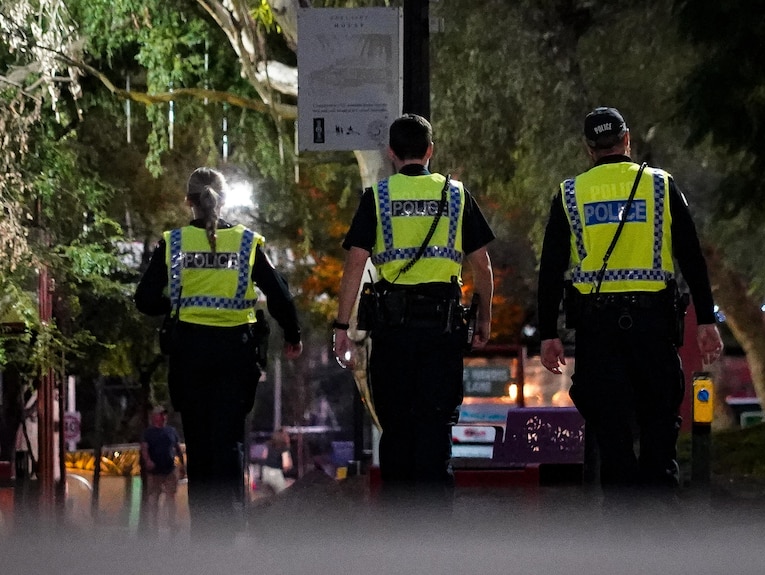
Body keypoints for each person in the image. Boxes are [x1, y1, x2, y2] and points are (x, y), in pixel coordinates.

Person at [537, 107, 723, 501]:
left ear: (588, 149)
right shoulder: (660, 185)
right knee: (659, 437)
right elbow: (692, 256)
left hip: (598, 333)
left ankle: (622, 546)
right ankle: (660, 543)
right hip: (654, 329)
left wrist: (548, 333)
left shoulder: (570, 194)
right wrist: (706, 320)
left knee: (613, 442)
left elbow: (551, 269)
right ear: (627, 139)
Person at [134, 167, 303, 540]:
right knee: (229, 441)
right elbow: (279, 295)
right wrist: (293, 334)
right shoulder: (246, 243)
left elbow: (145, 299)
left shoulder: (173, 244)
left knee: (199, 442)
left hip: (189, 354)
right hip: (234, 355)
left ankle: (205, 536)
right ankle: (230, 528)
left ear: (188, 201)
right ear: (223, 200)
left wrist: (179, 301)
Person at [332, 114, 495, 501]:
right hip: (441, 333)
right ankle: (435, 540)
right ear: (430, 151)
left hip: (392, 334)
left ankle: (399, 538)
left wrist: (341, 327)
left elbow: (354, 265)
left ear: (391, 154)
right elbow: (482, 266)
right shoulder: (456, 194)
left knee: (397, 431)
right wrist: (485, 316)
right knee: (436, 431)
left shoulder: (378, 198)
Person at [140, 405, 184, 534]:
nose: (163, 417)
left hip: (169, 469)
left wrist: (182, 464)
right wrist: (148, 461)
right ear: (154, 417)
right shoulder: (148, 433)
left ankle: (172, 523)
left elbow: (177, 448)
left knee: (171, 497)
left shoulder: (171, 431)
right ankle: (153, 525)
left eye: (164, 414)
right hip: (155, 472)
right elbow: (144, 449)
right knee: (154, 497)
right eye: (160, 414)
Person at [259, 428, 295, 495]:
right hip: (276, 473)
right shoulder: (284, 448)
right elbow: (286, 465)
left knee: (267, 494)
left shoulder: (268, 444)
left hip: (265, 471)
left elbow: (263, 457)